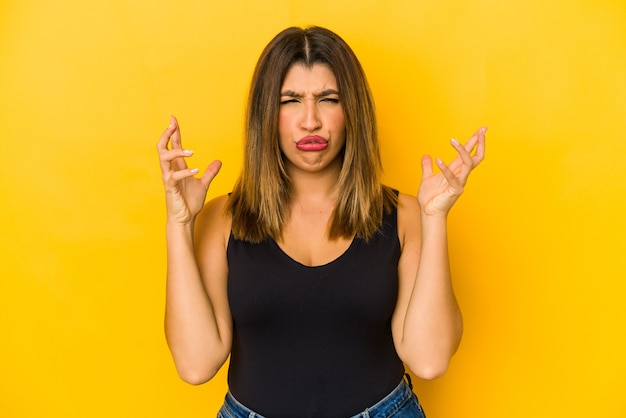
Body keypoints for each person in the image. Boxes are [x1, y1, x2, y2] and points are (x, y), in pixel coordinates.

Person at [157, 26, 486, 418]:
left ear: (352, 113)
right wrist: (179, 224)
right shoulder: (222, 220)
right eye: (290, 100)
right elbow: (196, 365)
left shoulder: (405, 217)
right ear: (267, 114)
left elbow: (429, 360)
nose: (310, 121)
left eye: (328, 99)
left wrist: (435, 219)